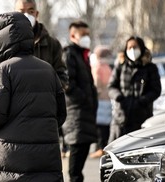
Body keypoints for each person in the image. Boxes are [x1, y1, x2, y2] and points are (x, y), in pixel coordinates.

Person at [0, 12, 67, 181]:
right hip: (46, 158)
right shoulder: (48, 69)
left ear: (0, 41)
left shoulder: (3, 70)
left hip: (9, 159)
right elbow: (61, 113)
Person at [61, 20, 98, 182]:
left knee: (79, 165)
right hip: (76, 115)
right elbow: (68, 83)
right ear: (72, 35)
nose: (87, 38)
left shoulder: (82, 55)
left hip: (84, 114)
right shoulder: (69, 54)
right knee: (75, 170)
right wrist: (84, 99)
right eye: (83, 35)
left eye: (88, 35)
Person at [107, 36, 161, 143]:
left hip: (142, 116)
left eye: (135, 47)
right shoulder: (121, 66)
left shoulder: (150, 68)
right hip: (121, 117)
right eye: (129, 47)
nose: (132, 50)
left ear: (141, 48)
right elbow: (111, 86)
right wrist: (119, 98)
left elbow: (156, 90)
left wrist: (142, 101)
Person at [89, 45, 113, 158]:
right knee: (106, 126)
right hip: (107, 99)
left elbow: (96, 85)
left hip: (99, 100)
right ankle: (104, 146)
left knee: (99, 126)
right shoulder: (107, 67)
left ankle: (100, 148)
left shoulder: (97, 68)